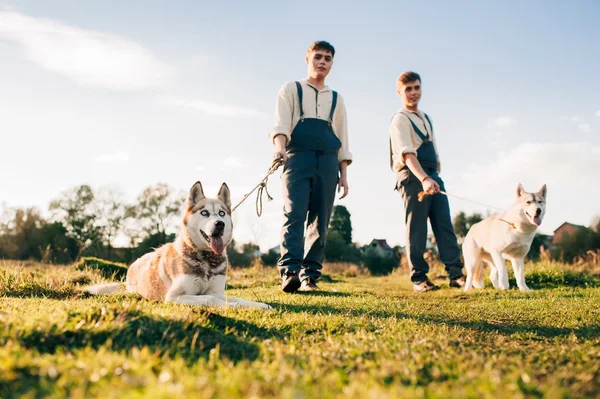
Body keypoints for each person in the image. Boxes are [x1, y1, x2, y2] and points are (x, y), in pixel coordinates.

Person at [269, 40, 352, 293]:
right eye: (318, 56)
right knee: (294, 214)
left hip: (328, 161)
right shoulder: (291, 89)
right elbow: (281, 124)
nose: (322, 62)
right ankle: (290, 272)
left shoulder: (337, 99)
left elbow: (343, 139)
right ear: (308, 59)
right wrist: (280, 148)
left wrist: (344, 175)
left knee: (320, 219)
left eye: (327, 58)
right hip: (297, 157)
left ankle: (310, 276)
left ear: (332, 64)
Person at [389, 71, 465, 292]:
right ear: (400, 92)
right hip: (413, 176)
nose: (413, 93)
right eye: (408, 89)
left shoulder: (426, 118)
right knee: (417, 229)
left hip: (432, 175)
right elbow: (407, 154)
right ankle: (419, 279)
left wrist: (434, 176)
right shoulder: (400, 119)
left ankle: (456, 275)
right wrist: (423, 178)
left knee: (444, 225)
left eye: (417, 88)